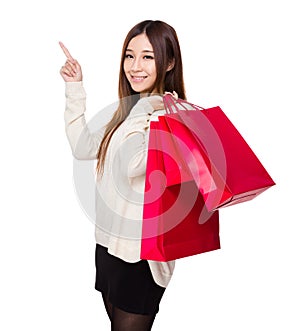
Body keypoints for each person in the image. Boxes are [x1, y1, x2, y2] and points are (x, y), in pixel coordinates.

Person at [59, 20, 186, 331]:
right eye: (130, 56)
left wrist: (147, 109)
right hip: (108, 246)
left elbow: (132, 166)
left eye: (147, 56)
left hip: (142, 256)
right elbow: (83, 146)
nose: (135, 66)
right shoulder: (128, 111)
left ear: (168, 62)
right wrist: (75, 88)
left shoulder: (170, 114)